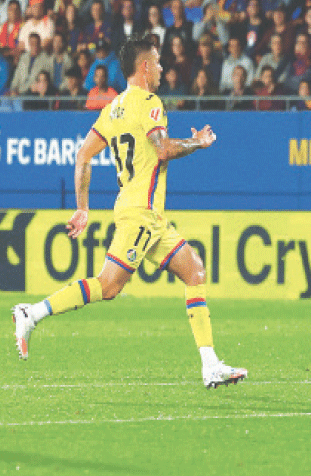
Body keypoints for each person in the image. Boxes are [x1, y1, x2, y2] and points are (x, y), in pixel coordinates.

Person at [12, 36, 248, 390]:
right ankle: (32, 313)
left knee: (194, 270)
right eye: (158, 62)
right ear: (145, 67)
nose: (163, 68)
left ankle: (210, 364)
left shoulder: (113, 107)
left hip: (148, 215)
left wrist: (82, 207)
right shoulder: (150, 103)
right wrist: (198, 142)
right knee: (108, 287)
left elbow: (82, 156)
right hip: (140, 213)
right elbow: (164, 150)